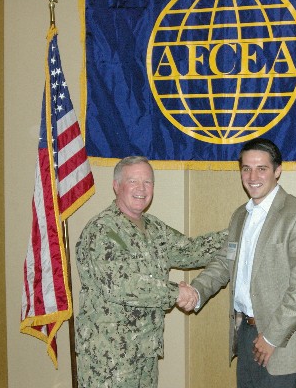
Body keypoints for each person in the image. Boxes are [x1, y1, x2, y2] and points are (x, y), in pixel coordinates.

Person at [75, 156, 226, 388]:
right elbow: (123, 285)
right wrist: (176, 293)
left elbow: (190, 250)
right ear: (116, 186)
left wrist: (237, 234)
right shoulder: (101, 231)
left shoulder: (153, 227)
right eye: (133, 181)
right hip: (108, 357)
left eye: (148, 182)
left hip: (145, 350)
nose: (141, 189)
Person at [187, 138, 296, 387]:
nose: (252, 176)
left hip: (283, 340)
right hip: (246, 333)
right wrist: (196, 291)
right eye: (246, 168)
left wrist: (272, 337)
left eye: (261, 168)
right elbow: (223, 262)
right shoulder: (240, 215)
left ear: (277, 170)